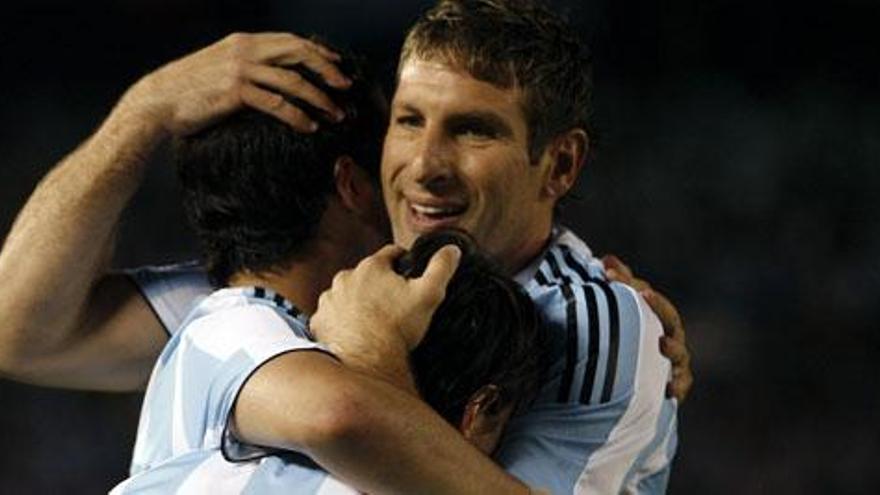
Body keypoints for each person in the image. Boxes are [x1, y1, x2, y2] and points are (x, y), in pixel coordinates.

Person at [0, 1, 693, 493]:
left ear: (561, 165)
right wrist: (142, 112)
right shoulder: (325, 285)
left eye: (473, 130)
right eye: (409, 120)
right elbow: (18, 330)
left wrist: (369, 364)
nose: (426, 163)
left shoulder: (588, 328)